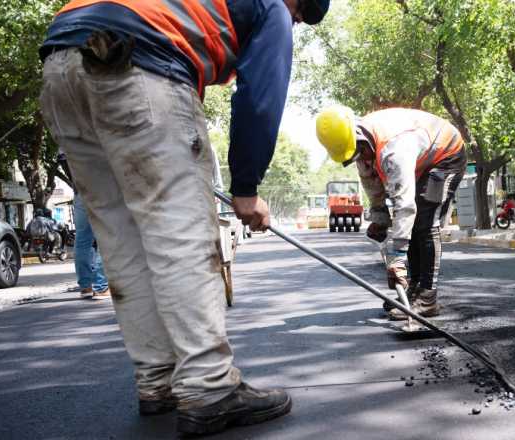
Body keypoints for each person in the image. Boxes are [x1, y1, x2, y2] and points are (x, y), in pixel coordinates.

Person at [38, 0, 329, 435]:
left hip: (61, 62)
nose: (294, 25)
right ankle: (211, 389)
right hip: (138, 56)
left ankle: (157, 381)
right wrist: (247, 189)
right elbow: (261, 93)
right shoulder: (272, 7)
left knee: (121, 241)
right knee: (182, 236)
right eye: (301, 18)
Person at [315, 106, 466, 320]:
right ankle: (414, 288)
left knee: (426, 222)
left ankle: (428, 298)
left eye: (361, 154)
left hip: (445, 156)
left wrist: (397, 256)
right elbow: (371, 182)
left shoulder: (394, 150)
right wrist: (380, 218)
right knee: (412, 224)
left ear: (360, 139)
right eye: (354, 157)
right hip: (421, 161)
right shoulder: (360, 145)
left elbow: (404, 207)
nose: (362, 160)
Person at [74, 194, 111, 300]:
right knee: (105, 236)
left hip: (80, 192)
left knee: (82, 240)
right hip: (102, 191)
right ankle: (101, 287)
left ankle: (85, 287)